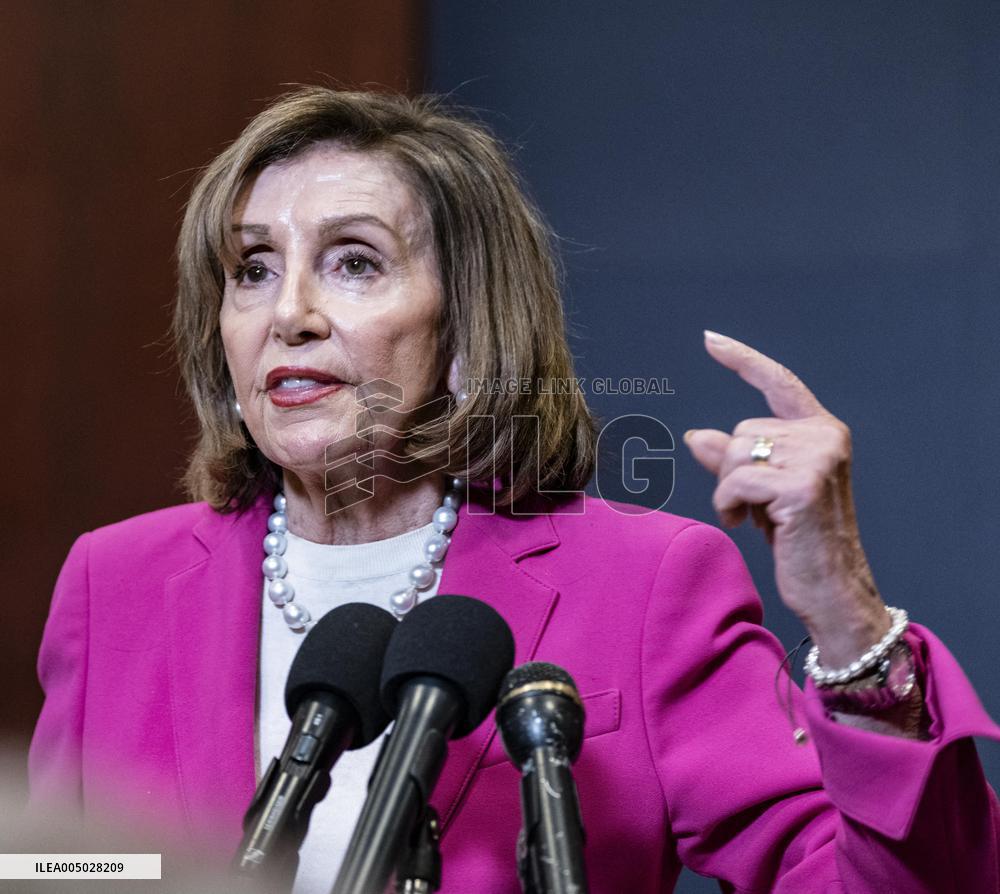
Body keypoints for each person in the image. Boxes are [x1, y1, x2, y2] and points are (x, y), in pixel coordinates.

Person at [29, 87, 1000, 893]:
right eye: (251, 270)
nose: (289, 314)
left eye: (353, 262)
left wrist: (847, 620)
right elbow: (61, 872)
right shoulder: (113, 584)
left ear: (466, 329)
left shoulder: (644, 585)